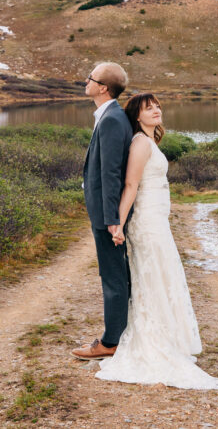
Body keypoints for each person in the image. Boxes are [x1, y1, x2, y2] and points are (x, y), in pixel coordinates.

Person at [94, 92, 218, 390]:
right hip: (147, 223)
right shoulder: (141, 143)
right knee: (153, 277)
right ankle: (152, 340)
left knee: (160, 276)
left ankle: (164, 337)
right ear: (137, 116)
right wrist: (116, 223)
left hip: (157, 221)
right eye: (148, 108)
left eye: (157, 106)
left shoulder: (149, 141)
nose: (156, 111)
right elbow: (130, 185)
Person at [71, 62, 133, 360]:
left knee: (112, 276)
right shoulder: (110, 115)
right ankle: (121, 334)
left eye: (91, 78)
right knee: (116, 274)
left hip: (108, 217)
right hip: (108, 213)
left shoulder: (110, 119)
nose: (87, 81)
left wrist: (112, 220)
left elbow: (111, 174)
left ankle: (110, 342)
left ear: (103, 87)